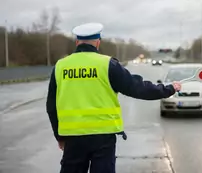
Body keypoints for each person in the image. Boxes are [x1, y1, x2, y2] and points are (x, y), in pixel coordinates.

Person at [46, 22, 181, 173]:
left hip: (72, 138)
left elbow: (51, 106)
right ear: (97, 42)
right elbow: (137, 88)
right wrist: (168, 89)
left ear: (77, 42)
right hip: (102, 138)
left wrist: (59, 136)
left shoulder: (60, 66)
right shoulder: (107, 64)